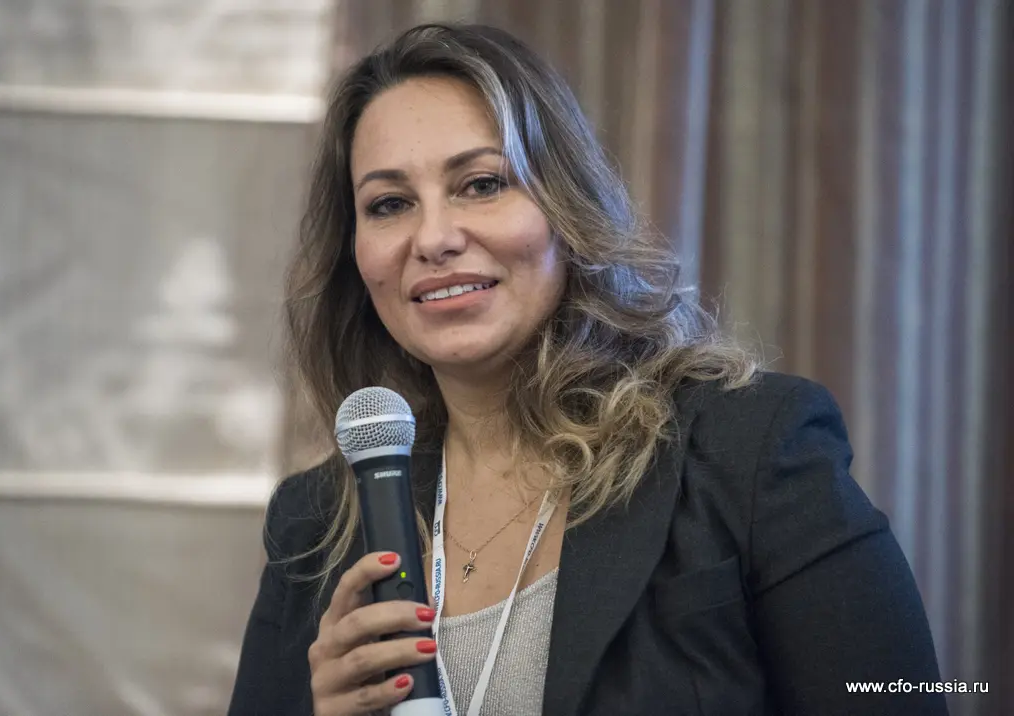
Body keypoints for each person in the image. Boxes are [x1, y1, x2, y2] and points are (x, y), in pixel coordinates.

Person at [228, 22, 947, 716]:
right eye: (389, 204)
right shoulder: (312, 523)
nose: (435, 238)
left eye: (481, 184)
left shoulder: (751, 449)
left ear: (565, 206)